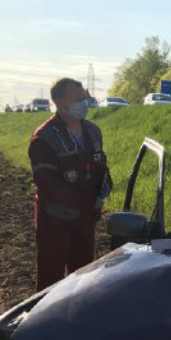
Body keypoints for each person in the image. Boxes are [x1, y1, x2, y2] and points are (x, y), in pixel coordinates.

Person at [29, 78, 112, 292]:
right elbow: (50, 185)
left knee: (82, 277)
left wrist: (104, 184)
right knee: (51, 278)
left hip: (85, 219)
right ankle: (45, 320)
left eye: (84, 98)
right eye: (77, 100)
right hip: (55, 219)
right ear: (59, 101)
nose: (83, 103)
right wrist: (87, 202)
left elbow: (99, 162)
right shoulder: (43, 138)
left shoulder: (93, 131)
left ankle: (76, 319)